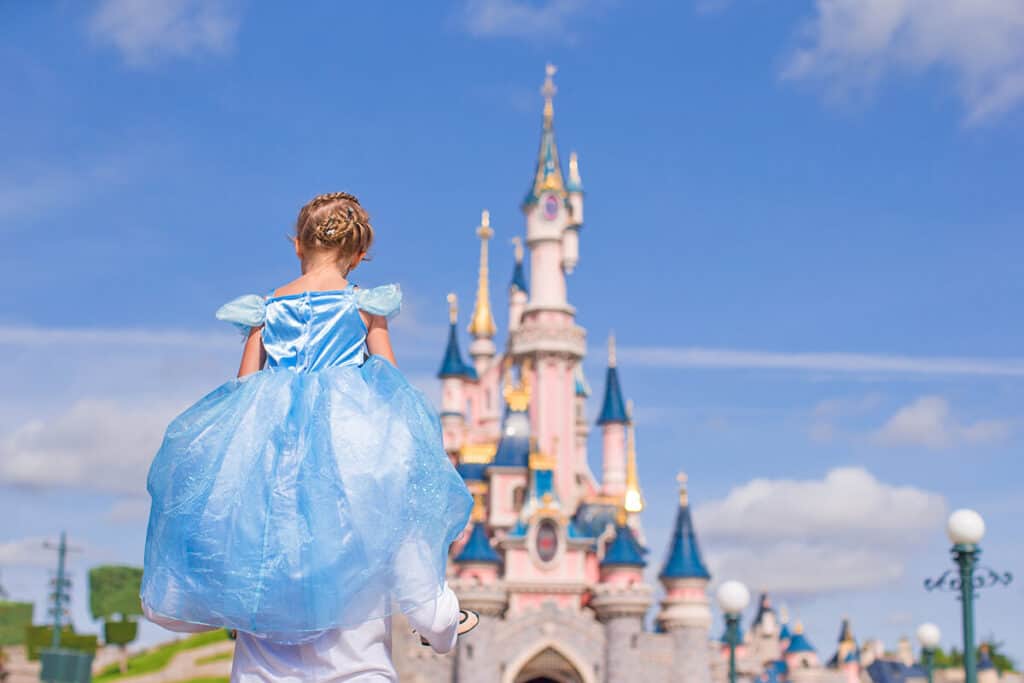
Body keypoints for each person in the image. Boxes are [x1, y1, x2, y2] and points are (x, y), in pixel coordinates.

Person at [140, 192, 476, 682]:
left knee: (264, 541)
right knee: (386, 516)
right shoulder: (363, 306)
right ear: (360, 255)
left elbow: (243, 394)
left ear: (298, 244)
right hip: (347, 445)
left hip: (275, 455)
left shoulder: (267, 310)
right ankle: (437, 616)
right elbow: (391, 388)